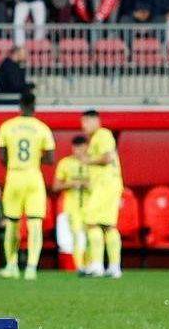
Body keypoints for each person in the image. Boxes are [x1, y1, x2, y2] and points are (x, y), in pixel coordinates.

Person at [0, 93, 55, 279]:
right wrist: (37, 158)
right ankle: (31, 267)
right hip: (33, 176)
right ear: (34, 106)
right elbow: (51, 158)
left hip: (14, 176)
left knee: (12, 223)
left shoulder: (7, 126)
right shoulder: (42, 128)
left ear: (19, 106)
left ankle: (11, 265)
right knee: (35, 223)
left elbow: (3, 157)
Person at [79, 110, 123, 278]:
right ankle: (114, 267)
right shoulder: (98, 137)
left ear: (94, 120)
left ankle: (97, 265)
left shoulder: (102, 134)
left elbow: (108, 158)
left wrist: (87, 160)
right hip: (109, 184)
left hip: (106, 185)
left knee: (92, 222)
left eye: (85, 121)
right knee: (108, 225)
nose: (83, 126)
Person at [51, 134, 88, 268]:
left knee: (85, 239)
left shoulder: (93, 163)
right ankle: (72, 269)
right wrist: (71, 184)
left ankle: (88, 267)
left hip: (89, 208)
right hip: (68, 207)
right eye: (76, 148)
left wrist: (86, 183)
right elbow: (55, 186)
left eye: (81, 147)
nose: (78, 150)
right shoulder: (65, 163)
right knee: (67, 241)